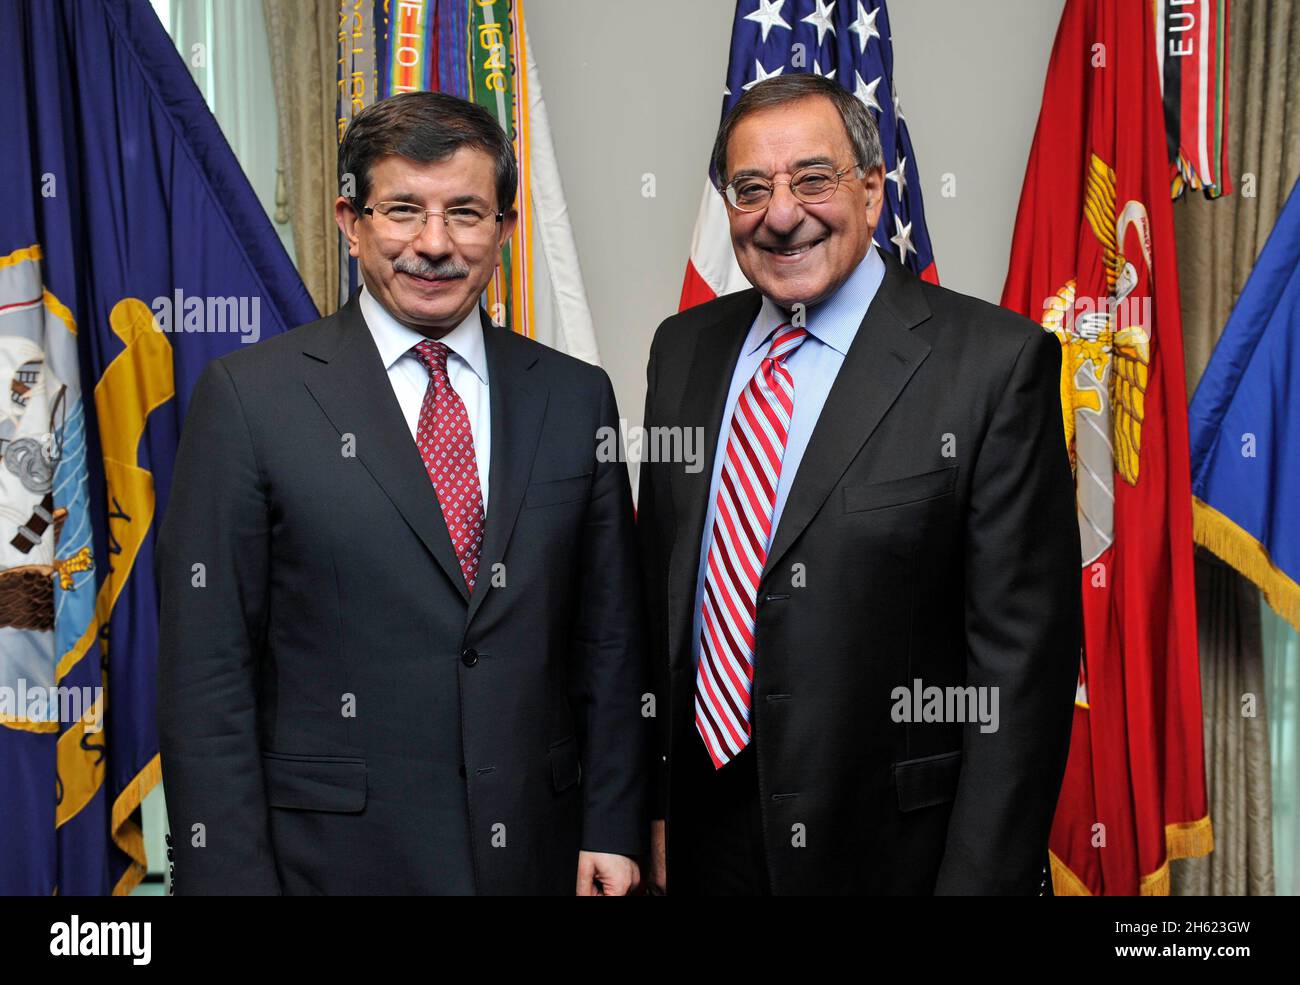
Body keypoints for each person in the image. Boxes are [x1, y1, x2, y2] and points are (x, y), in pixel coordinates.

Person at [157, 91, 646, 895]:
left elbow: (611, 640)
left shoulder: (574, 397)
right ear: (351, 221)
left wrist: (613, 824)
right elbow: (206, 677)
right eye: (402, 210)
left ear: (506, 231)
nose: (434, 243)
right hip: (329, 869)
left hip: (540, 857)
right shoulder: (250, 400)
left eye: (465, 212)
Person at [637, 74, 1081, 895]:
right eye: (750, 188)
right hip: (706, 845)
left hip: (892, 852)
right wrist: (653, 811)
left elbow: (1021, 679)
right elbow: (659, 599)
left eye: (813, 178)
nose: (781, 212)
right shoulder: (682, 352)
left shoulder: (992, 366)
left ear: (872, 191)